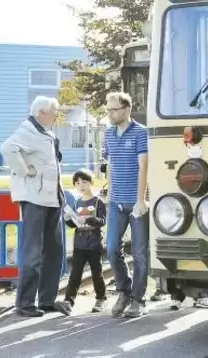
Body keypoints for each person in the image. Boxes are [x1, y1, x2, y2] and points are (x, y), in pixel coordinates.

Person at [0, 96, 69, 317]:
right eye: (54, 112)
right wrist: (23, 170)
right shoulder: (28, 129)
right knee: (33, 253)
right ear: (41, 112)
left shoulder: (45, 131)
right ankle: (26, 303)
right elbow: (7, 148)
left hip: (51, 199)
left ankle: (47, 299)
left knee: (55, 251)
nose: (56, 116)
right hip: (35, 200)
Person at [102, 92, 149, 318]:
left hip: (136, 202)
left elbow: (144, 167)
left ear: (127, 109)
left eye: (114, 109)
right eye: (108, 110)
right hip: (116, 202)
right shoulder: (108, 134)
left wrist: (141, 199)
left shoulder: (141, 133)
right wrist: (109, 194)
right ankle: (124, 291)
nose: (110, 114)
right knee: (111, 249)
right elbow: (110, 163)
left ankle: (138, 300)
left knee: (139, 253)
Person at [54, 169, 107, 315]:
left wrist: (89, 218)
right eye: (77, 183)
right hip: (79, 244)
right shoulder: (76, 202)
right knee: (75, 274)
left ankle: (101, 298)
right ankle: (68, 302)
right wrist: (68, 219)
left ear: (91, 183)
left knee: (97, 273)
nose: (81, 185)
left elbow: (102, 221)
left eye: (84, 182)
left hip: (95, 244)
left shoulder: (98, 202)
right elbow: (74, 225)